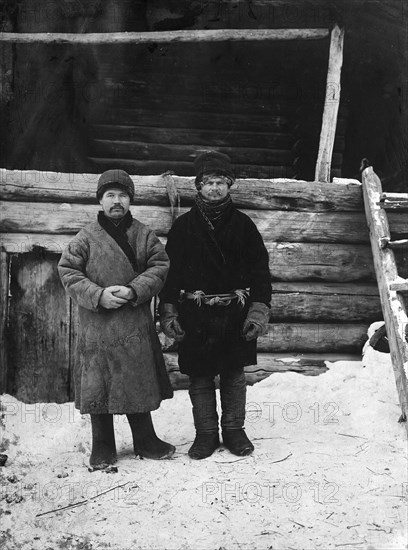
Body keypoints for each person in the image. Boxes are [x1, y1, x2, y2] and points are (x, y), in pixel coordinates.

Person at [58, 169, 175, 469]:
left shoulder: (143, 234)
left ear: (130, 200)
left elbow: (160, 266)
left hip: (133, 320)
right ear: (100, 200)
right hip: (98, 324)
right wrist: (98, 295)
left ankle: (146, 439)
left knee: (136, 378)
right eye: (110, 195)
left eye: (122, 195)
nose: (116, 201)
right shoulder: (85, 237)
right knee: (99, 383)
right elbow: (68, 272)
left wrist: (134, 289)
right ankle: (103, 446)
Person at [159, 151, 271, 459]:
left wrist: (259, 310)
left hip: (235, 312)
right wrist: (168, 311)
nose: (215, 189)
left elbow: (261, 272)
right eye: (208, 182)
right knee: (200, 374)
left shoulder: (244, 226)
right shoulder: (183, 228)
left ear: (230, 185)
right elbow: (170, 274)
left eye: (221, 182)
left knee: (234, 373)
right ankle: (205, 434)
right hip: (195, 314)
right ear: (198, 187)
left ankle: (235, 431)